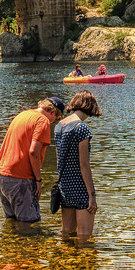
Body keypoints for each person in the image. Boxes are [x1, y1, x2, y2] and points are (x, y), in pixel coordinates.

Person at [0, 97, 62, 224]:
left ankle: (11, 243)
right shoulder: (42, 120)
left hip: (1, 175)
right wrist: (38, 179)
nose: (52, 123)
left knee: (12, 222)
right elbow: (33, 151)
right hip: (20, 178)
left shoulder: (22, 115)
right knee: (30, 224)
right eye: (55, 120)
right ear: (53, 113)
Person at [53, 90, 101, 238]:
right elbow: (84, 165)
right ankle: (83, 260)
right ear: (90, 106)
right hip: (80, 188)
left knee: (66, 233)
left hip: (65, 187)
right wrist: (91, 195)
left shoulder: (59, 126)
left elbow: (58, 159)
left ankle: (66, 259)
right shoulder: (82, 128)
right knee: (84, 238)